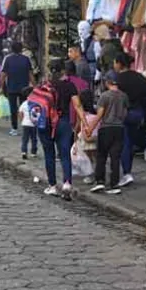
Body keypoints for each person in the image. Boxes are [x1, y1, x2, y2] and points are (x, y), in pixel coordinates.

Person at [38, 59, 87, 200]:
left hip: (46, 122)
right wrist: (85, 122)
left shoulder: (44, 85)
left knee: (49, 154)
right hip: (63, 122)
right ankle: (67, 183)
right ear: (62, 71)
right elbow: (77, 105)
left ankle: (52, 186)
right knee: (65, 153)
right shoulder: (69, 85)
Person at [86, 71, 128, 194]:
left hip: (106, 128)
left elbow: (100, 115)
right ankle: (114, 184)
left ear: (107, 82)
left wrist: (90, 128)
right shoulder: (124, 96)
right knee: (115, 157)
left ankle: (100, 181)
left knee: (101, 156)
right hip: (119, 128)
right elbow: (125, 113)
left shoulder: (105, 96)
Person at [114, 54, 146, 187]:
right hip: (138, 112)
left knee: (124, 143)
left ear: (119, 63)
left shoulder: (117, 79)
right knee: (131, 142)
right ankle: (127, 171)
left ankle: (126, 172)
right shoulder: (140, 78)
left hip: (123, 113)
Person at [2, 42, 35, 136]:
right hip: (24, 88)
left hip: (11, 87)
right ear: (21, 49)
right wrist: (35, 86)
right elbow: (30, 74)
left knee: (13, 108)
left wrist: (0, 86)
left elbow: (3, 74)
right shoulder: (26, 59)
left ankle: (14, 128)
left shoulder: (7, 59)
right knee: (24, 107)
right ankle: (26, 127)